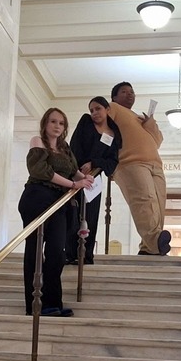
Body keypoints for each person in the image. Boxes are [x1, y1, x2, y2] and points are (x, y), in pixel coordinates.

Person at [18, 108, 93, 317]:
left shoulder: (65, 148)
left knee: (57, 253)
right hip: (37, 197)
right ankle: (33, 304)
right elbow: (40, 171)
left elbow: (74, 170)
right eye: (53, 121)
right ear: (45, 123)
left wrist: (86, 179)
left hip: (59, 201)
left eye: (61, 122)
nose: (57, 126)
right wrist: (73, 184)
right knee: (34, 252)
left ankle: (52, 303)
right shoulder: (37, 141)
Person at [108, 82, 171, 255]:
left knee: (158, 204)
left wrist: (150, 124)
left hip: (155, 164)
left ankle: (148, 247)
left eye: (132, 92)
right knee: (144, 199)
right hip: (130, 162)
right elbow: (102, 130)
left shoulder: (140, 118)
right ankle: (155, 241)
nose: (130, 94)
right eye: (124, 92)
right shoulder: (113, 108)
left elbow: (157, 141)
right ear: (114, 97)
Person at [65, 96, 121, 265]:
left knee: (91, 217)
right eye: (91, 110)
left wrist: (94, 163)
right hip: (76, 174)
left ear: (107, 109)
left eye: (98, 108)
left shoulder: (114, 134)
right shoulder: (86, 122)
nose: (94, 113)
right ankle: (70, 254)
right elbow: (74, 146)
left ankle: (86, 256)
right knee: (72, 215)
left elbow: (112, 162)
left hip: (94, 179)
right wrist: (79, 169)